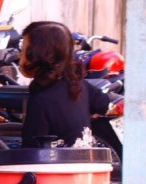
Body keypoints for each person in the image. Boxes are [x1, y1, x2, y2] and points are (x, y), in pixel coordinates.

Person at [17, 20, 110, 148]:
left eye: (23, 50)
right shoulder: (79, 86)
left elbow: (31, 150)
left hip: (58, 161)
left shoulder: (41, 101)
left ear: (40, 55)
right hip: (85, 158)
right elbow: (104, 104)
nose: (20, 55)